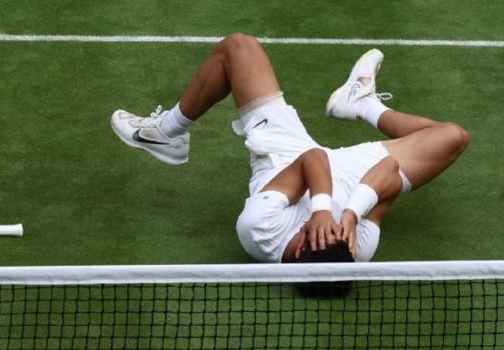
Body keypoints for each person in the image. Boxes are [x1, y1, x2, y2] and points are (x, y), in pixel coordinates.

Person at [110, 33, 468, 265]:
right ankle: (359, 103)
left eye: (315, 234)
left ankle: (165, 133)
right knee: (452, 137)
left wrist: (322, 210)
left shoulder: (259, 230)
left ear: (298, 249)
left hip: (285, 158)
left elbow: (311, 159)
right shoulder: (356, 249)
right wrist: (350, 215)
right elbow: (388, 174)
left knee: (238, 48)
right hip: (352, 181)